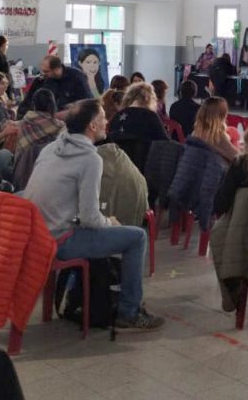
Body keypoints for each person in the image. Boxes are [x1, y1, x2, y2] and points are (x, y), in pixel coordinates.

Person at [24, 99, 164, 330]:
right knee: (137, 237)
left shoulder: (51, 148)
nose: (107, 121)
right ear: (92, 126)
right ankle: (129, 311)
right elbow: (90, 219)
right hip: (60, 240)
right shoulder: (90, 159)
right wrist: (109, 221)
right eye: (103, 117)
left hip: (37, 233)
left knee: (100, 228)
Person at [191, 97, 239, 164]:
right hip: (216, 172)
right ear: (221, 115)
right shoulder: (216, 137)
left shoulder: (195, 132)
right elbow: (238, 158)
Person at [17, 88, 64, 153]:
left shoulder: (24, 122)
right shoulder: (59, 126)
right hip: (47, 161)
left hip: (24, 162)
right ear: (53, 104)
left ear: (34, 104)